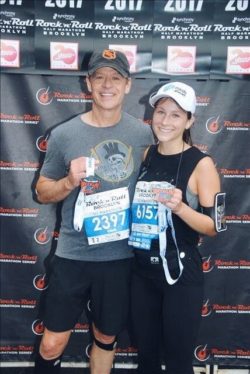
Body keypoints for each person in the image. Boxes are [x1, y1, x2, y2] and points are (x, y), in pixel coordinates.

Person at [33, 49, 154, 374]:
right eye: (99, 76)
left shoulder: (145, 136)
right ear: (88, 83)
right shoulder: (64, 135)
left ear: (128, 85)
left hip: (121, 259)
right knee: (51, 343)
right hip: (73, 256)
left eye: (115, 77)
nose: (107, 84)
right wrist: (70, 180)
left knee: (105, 337)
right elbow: (42, 192)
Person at [129, 82, 224, 374]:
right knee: (146, 357)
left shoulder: (202, 164)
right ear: (152, 114)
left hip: (180, 275)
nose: (165, 121)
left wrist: (181, 208)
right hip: (143, 271)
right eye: (161, 112)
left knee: (178, 362)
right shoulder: (147, 154)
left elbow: (214, 226)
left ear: (190, 120)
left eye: (175, 115)